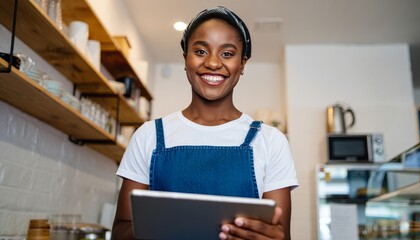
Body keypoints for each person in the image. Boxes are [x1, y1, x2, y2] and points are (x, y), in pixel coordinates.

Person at [112, 6, 298, 240]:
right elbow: (120, 231)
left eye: (227, 54)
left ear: (242, 64)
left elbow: (280, 235)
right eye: (200, 51)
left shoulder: (270, 141)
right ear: (185, 59)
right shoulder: (149, 135)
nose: (212, 62)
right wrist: (174, 226)